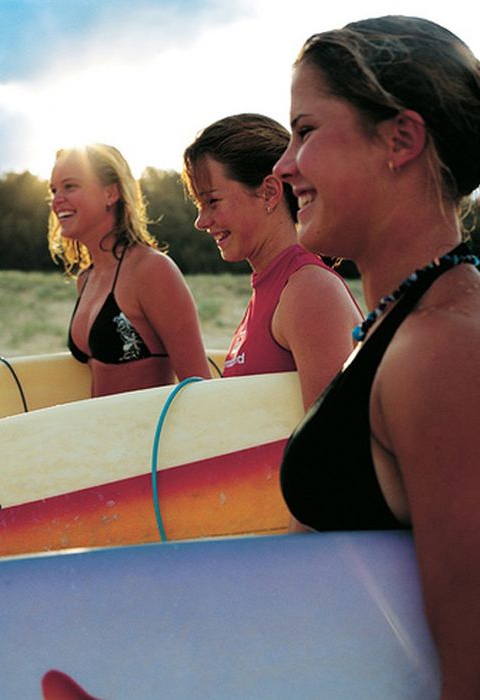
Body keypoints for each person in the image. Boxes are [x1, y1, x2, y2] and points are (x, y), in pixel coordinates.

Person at [273, 15, 480, 698]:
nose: (282, 165)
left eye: (305, 131)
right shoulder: (403, 323)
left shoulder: (442, 344)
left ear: (399, 139)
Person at [182, 114, 362, 411]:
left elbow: (333, 445)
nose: (201, 222)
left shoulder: (309, 291)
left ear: (269, 192)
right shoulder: (272, 286)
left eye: (212, 201)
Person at [48, 143, 211, 397]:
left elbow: (199, 383)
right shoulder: (86, 278)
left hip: (148, 434)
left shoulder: (151, 271)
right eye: (53, 190)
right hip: (96, 433)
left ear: (111, 193)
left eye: (70, 186)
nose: (57, 200)